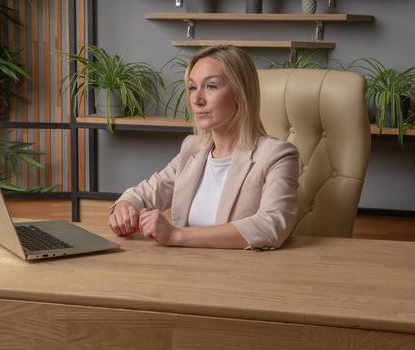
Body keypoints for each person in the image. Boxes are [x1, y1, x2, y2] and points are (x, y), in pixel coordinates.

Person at [109, 45, 299, 250]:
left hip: (241, 275)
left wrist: (176, 235)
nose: (196, 100)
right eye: (192, 87)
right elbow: (144, 194)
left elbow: (271, 226)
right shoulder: (192, 149)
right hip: (184, 270)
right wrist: (125, 207)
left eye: (211, 86)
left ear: (240, 93)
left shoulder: (276, 155)